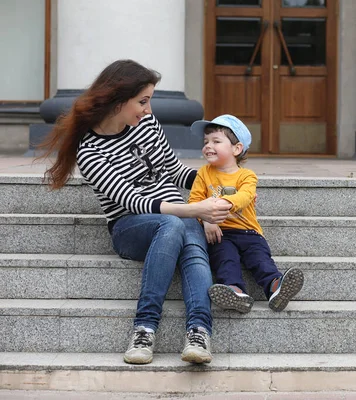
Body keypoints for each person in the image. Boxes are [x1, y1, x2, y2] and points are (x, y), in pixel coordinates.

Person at [36, 59, 233, 365]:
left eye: (149, 101)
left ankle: (198, 331)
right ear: (118, 100)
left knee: (189, 236)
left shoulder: (147, 126)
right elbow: (133, 202)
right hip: (131, 227)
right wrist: (196, 208)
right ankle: (144, 327)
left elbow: (174, 171)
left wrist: (221, 181)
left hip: (177, 214)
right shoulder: (90, 151)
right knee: (175, 224)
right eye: (142, 102)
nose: (149, 110)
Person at [188, 114, 304, 314]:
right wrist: (206, 219)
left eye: (216, 141)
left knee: (260, 259)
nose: (208, 145)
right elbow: (194, 202)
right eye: (206, 141)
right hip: (219, 232)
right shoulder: (203, 173)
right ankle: (234, 292)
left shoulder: (247, 176)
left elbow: (245, 196)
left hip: (249, 232)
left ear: (236, 148)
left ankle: (276, 287)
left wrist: (218, 205)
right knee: (225, 260)